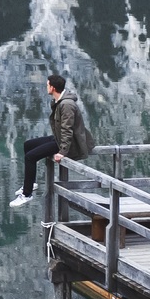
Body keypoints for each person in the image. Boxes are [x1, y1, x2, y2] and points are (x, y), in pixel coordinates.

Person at [11, 73, 91, 207]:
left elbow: (67, 130)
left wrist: (62, 152)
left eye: (47, 85)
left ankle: (26, 194)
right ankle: (31, 183)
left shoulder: (66, 105)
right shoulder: (59, 101)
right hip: (59, 138)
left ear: (53, 88)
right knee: (28, 145)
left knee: (31, 157)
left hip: (69, 143)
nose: (46, 87)